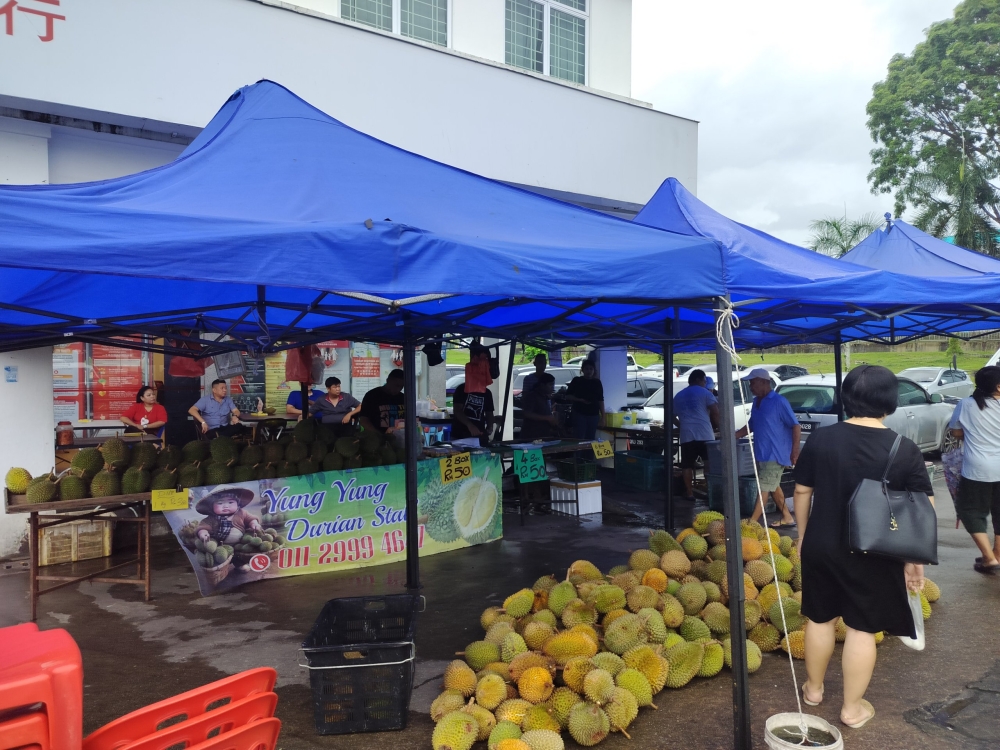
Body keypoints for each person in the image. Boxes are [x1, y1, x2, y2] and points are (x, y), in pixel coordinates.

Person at [792, 365, 933, 730]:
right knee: (861, 628)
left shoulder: (822, 439)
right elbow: (923, 510)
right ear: (890, 401)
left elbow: (802, 491)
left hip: (822, 543)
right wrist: (913, 560)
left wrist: (803, 535)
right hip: (876, 548)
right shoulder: (904, 449)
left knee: (819, 618)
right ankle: (851, 710)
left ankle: (813, 691)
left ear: (845, 397)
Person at [947, 365, 1000, 574]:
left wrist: (974, 433)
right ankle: (996, 554)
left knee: (970, 510)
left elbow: (956, 432)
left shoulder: (967, 404)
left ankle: (989, 558)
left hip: (978, 469)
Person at [735, 368, 800, 527]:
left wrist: (794, 452)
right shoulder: (757, 402)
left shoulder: (779, 401)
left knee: (764, 488)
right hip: (761, 454)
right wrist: (732, 436)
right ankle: (787, 517)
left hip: (775, 454)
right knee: (773, 486)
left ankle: (751, 524)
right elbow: (752, 425)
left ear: (765, 382)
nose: (751, 386)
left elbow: (796, 426)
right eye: (750, 383)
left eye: (753, 382)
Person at [673, 369, 720, 500]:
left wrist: (682, 426)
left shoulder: (679, 395)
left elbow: (671, 417)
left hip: (687, 435)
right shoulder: (705, 393)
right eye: (704, 381)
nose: (705, 383)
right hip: (705, 434)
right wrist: (721, 428)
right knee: (708, 464)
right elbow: (715, 412)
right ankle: (710, 492)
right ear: (698, 379)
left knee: (687, 465)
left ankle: (689, 493)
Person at [565, 360, 605, 440]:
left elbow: (601, 400)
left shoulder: (597, 382)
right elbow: (567, 396)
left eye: (591, 369)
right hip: (579, 413)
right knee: (579, 437)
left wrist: (603, 417)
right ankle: (578, 452)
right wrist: (579, 400)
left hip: (594, 414)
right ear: (582, 370)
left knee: (590, 438)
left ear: (594, 370)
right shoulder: (577, 381)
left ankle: (588, 453)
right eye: (586, 369)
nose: (589, 371)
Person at [359, 369, 405, 434]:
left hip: (400, 437)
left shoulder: (403, 398)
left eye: (401, 387)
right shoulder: (372, 395)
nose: (398, 389)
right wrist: (378, 435)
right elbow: (363, 419)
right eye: (396, 385)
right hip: (377, 438)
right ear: (388, 380)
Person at [520, 373, 559, 440]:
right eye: (550, 385)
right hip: (531, 435)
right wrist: (547, 418)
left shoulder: (546, 397)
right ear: (542, 385)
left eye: (553, 384)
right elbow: (527, 413)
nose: (552, 387)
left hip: (543, 434)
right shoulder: (532, 396)